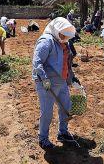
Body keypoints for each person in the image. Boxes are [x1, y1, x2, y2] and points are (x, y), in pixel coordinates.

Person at [32, 17, 78, 149]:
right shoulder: (46, 41)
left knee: (66, 106)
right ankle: (43, 139)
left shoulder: (64, 42)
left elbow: (66, 63)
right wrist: (44, 79)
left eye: (67, 36)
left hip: (61, 81)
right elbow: (37, 62)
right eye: (63, 35)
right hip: (46, 83)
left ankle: (62, 133)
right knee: (47, 112)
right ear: (57, 30)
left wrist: (71, 78)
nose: (65, 38)